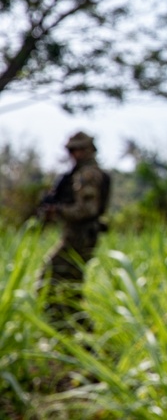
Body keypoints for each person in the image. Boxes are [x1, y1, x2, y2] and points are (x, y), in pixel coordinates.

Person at [36, 131, 112, 331]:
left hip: (80, 237)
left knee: (50, 281)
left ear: (88, 150)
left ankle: (74, 335)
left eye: (79, 149)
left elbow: (88, 209)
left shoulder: (88, 175)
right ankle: (73, 335)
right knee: (66, 288)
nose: (75, 154)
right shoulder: (78, 174)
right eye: (72, 150)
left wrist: (59, 210)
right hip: (75, 236)